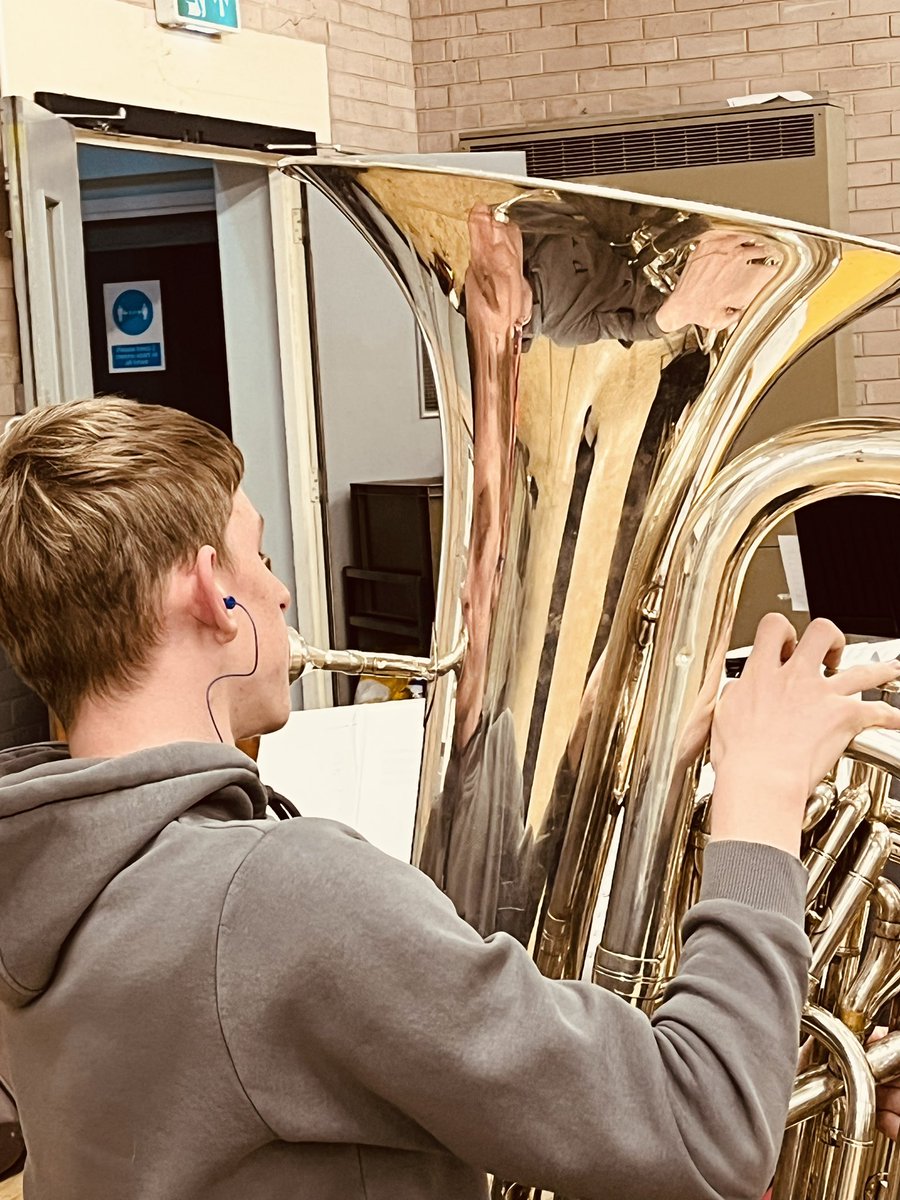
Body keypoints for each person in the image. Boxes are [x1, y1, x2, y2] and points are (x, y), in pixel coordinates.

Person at [0, 397, 899, 1200]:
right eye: (261, 556)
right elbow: (707, 1132)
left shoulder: (50, 871)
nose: (277, 590)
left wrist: (633, 784)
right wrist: (762, 802)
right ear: (211, 591)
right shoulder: (278, 897)